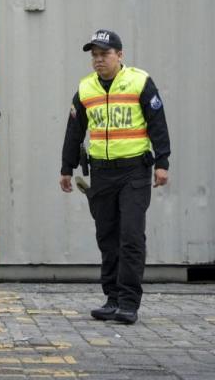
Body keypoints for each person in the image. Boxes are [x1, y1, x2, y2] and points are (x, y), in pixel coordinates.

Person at [60, 29, 170, 325]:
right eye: (94, 55)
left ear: (119, 55)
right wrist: (66, 168)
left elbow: (157, 122)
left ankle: (129, 303)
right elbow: (74, 132)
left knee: (131, 236)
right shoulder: (85, 89)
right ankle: (112, 299)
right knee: (107, 237)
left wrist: (163, 162)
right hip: (102, 173)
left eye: (104, 54)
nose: (98, 60)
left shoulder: (139, 82)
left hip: (134, 170)